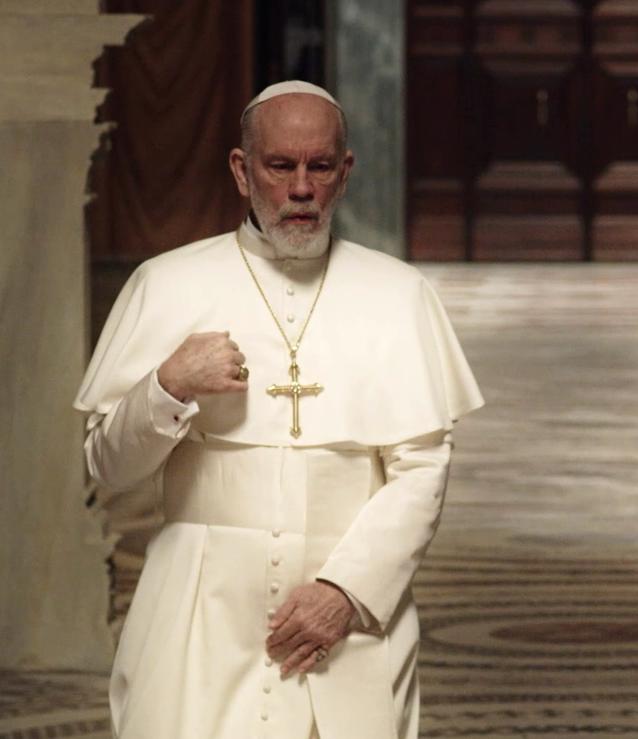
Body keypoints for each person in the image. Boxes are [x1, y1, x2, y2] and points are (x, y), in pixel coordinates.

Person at [75, 81, 483, 739]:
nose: (301, 188)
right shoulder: (166, 283)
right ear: (242, 171)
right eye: (280, 166)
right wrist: (168, 385)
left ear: (344, 172)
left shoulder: (399, 294)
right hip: (197, 615)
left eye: (320, 166)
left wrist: (346, 592)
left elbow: (422, 470)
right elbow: (107, 467)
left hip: (349, 619)